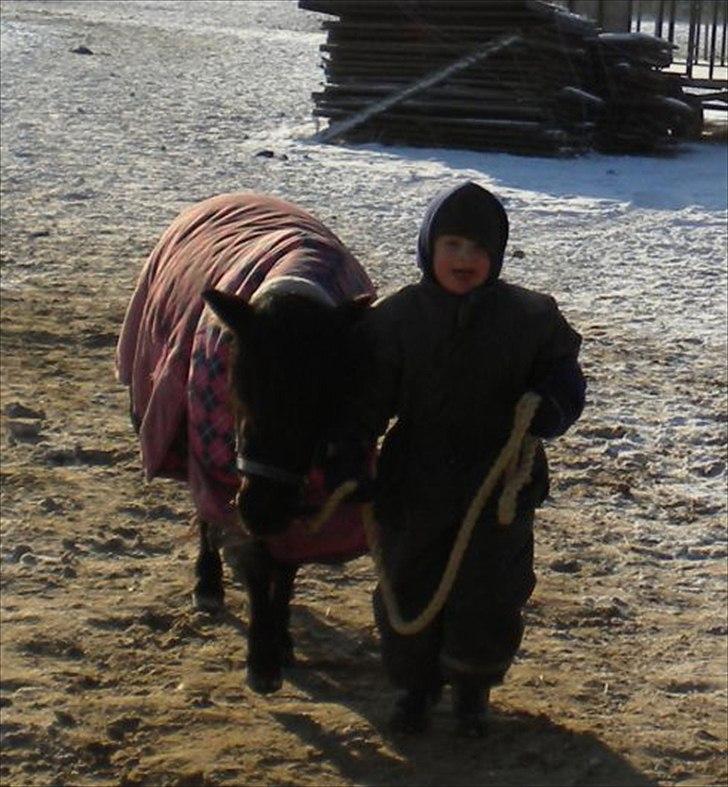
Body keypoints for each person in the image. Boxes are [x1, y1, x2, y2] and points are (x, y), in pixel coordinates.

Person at [327, 181, 586, 736]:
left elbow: (563, 371)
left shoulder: (531, 317)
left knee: (489, 590)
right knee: (410, 580)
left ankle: (472, 689)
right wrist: (352, 455)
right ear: (428, 249)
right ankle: (414, 691)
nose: (464, 259)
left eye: (477, 248)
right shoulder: (396, 320)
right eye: (451, 245)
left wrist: (552, 405)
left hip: (499, 485)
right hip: (414, 481)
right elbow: (367, 399)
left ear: (495, 254)